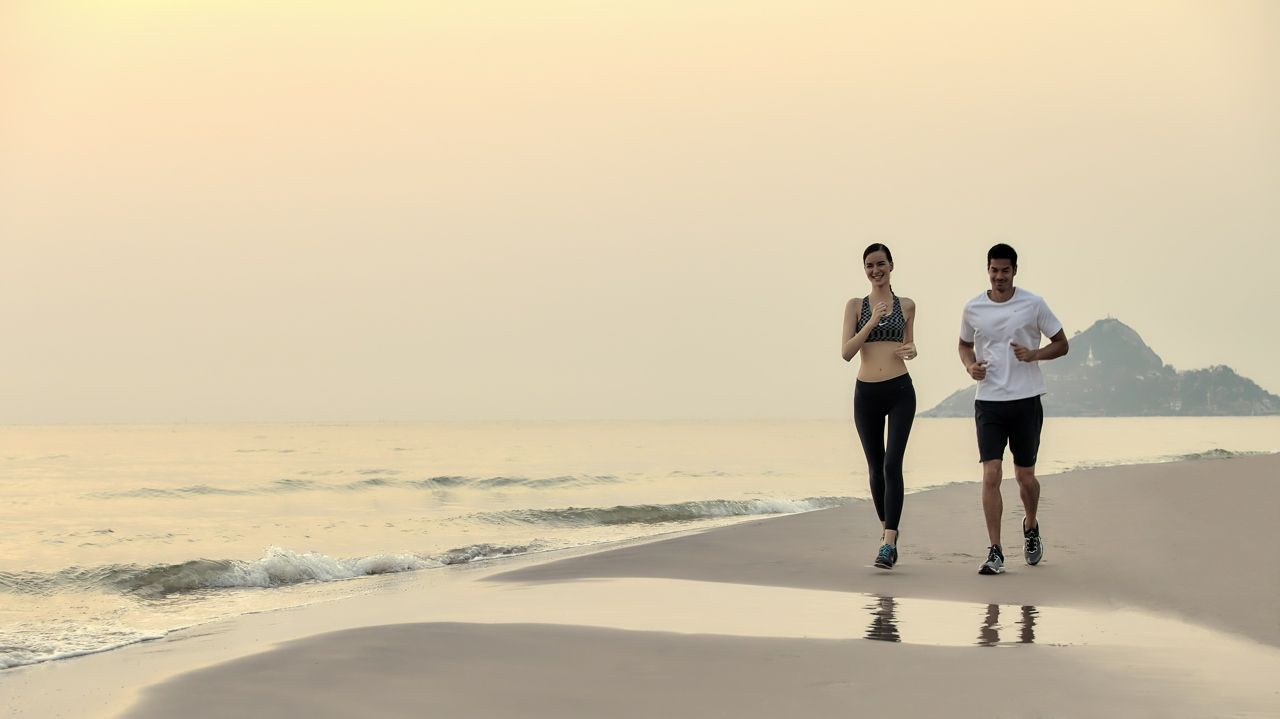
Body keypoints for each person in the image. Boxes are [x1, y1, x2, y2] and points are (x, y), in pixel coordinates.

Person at [957, 243, 1068, 575]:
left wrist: (1034, 355)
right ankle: (995, 551)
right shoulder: (973, 308)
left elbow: (1062, 343)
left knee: (1025, 477)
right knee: (991, 474)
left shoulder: (1033, 304)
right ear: (987, 270)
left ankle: (1030, 525)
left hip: (1025, 399)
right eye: (994, 270)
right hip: (989, 401)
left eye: (1005, 270)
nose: (999, 276)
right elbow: (963, 344)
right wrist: (970, 365)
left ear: (1015, 271)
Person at [842, 243, 917, 569]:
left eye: (881, 264)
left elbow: (909, 343)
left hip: (900, 390)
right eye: (870, 265)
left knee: (892, 465)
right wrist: (871, 321)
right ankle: (889, 532)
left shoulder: (907, 305)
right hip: (866, 394)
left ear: (891, 265)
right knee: (875, 467)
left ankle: (887, 542)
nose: (876, 270)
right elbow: (846, 352)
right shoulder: (856, 306)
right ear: (865, 270)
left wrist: (912, 350)